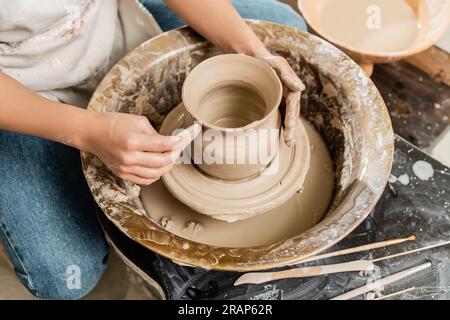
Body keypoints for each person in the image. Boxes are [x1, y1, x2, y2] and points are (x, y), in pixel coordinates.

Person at [0, 0, 306, 299]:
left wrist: (253, 56)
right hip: (22, 85)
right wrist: (88, 132)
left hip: (105, 22)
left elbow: (256, 51)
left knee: (283, 30)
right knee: (67, 276)